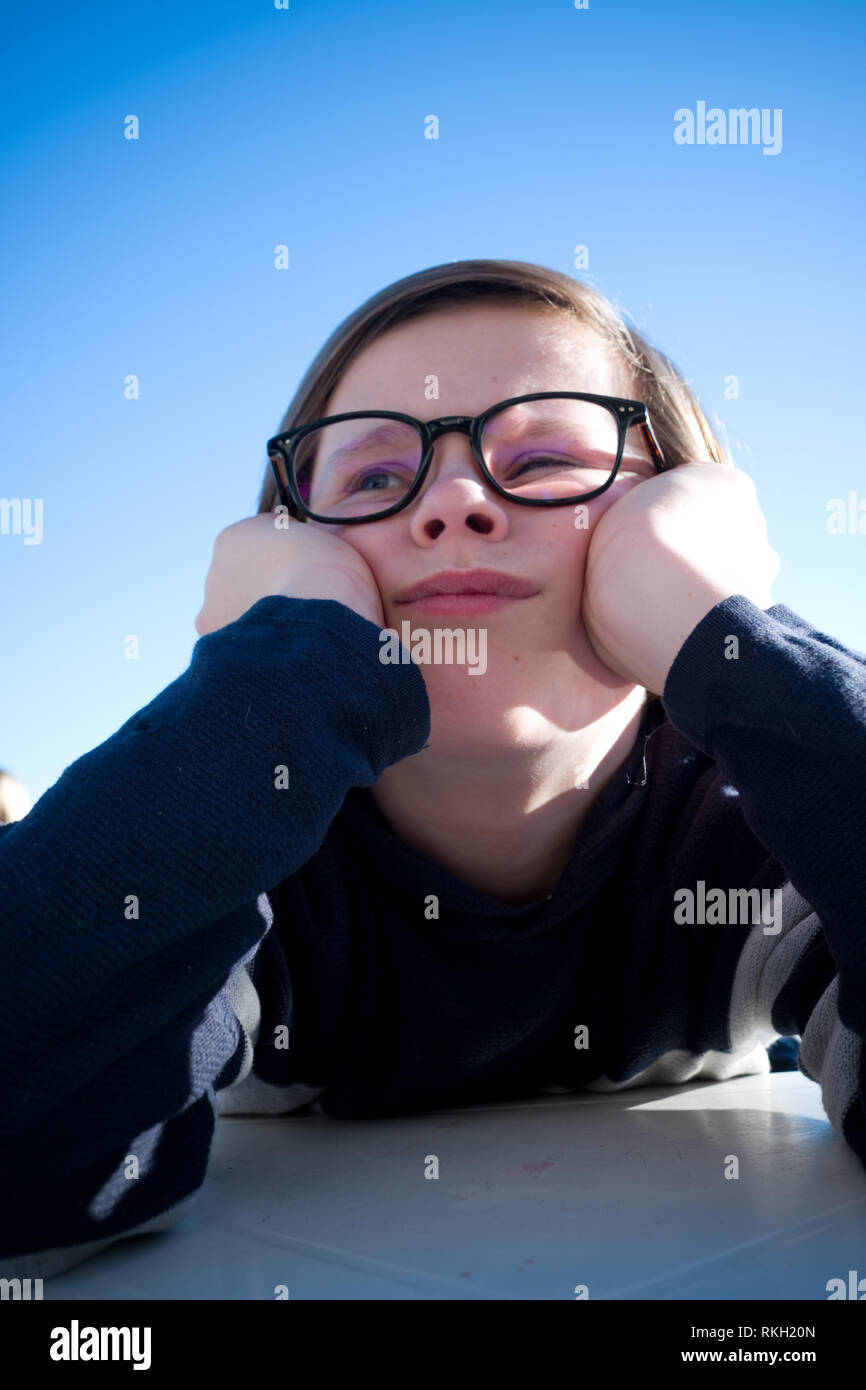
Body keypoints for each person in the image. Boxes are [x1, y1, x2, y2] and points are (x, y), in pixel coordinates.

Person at [1, 259, 863, 1282]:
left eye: (543, 456)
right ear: (287, 555)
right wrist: (274, 680)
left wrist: (731, 642)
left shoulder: (760, 822)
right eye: (370, 477)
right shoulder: (231, 846)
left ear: (684, 515)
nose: (452, 503)